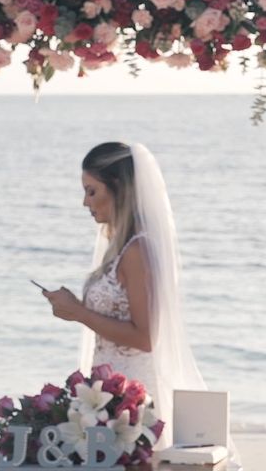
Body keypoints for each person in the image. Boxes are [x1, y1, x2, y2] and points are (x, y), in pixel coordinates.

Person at [43, 142, 210, 446]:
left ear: (119, 189)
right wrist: (74, 308)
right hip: (104, 393)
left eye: (92, 191)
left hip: (131, 396)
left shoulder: (138, 251)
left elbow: (145, 337)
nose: (85, 202)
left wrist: (80, 313)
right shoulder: (120, 248)